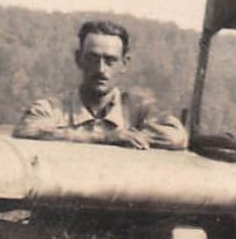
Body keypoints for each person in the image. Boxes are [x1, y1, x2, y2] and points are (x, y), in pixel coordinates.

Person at [14, 20, 187, 150]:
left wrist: (134, 138)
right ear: (78, 59)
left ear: (124, 64)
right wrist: (106, 137)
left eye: (110, 60)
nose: (101, 69)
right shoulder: (53, 108)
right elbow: (26, 131)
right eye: (92, 59)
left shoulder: (138, 110)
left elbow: (177, 137)